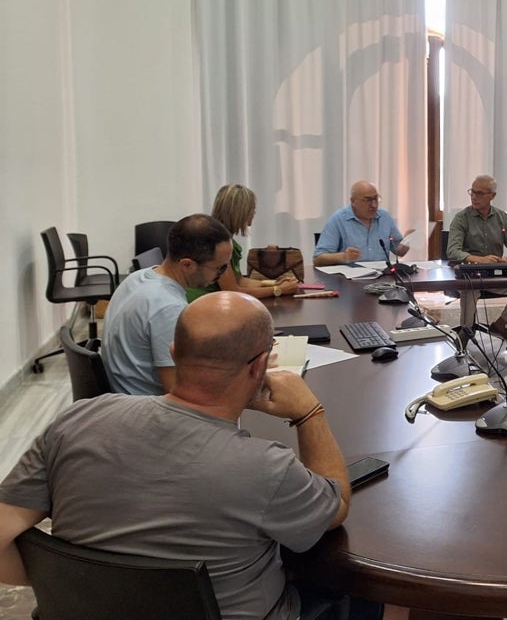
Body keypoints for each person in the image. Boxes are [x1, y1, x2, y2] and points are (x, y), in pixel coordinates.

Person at [0, 292, 358, 620]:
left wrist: (88, 589)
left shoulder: (78, 418)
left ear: (173, 353)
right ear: (259, 366)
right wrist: (309, 412)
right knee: (352, 591)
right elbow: (336, 506)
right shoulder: (266, 467)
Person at [102, 213, 233, 396]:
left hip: (125, 398)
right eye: (220, 268)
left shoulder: (137, 278)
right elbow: (178, 393)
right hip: (146, 410)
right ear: (187, 265)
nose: (223, 274)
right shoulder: (168, 307)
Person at [445, 175, 507, 347]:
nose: (474, 197)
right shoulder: (462, 218)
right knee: (470, 288)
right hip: (470, 274)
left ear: (492, 196)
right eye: (472, 192)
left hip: (494, 275)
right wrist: (479, 259)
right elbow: (452, 251)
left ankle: (500, 325)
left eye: (480, 193)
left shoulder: (502, 218)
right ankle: (466, 331)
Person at [187, 183, 299, 302]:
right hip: (202, 303)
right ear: (241, 211)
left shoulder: (226, 239)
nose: (254, 213)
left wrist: (274, 283)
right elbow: (233, 291)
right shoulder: (216, 242)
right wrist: (278, 290)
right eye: (252, 209)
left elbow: (239, 280)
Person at [314, 180, 415, 267]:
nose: (374, 205)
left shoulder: (384, 217)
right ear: (353, 201)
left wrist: (406, 241)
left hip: (382, 280)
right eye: (368, 200)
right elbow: (318, 259)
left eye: (376, 199)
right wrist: (343, 256)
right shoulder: (338, 220)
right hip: (349, 282)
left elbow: (399, 251)